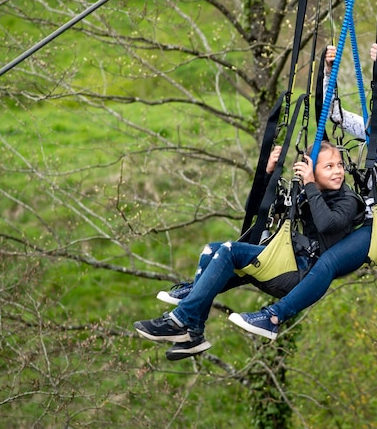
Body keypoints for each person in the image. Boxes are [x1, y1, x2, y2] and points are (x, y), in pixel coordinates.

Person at [228, 43, 377, 340]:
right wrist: (329, 72)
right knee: (323, 261)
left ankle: (273, 316)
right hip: (371, 223)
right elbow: (336, 114)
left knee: (328, 262)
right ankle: (212, 285)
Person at [134, 141, 364, 360]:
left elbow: (328, 223)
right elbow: (256, 209)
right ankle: (193, 333)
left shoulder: (347, 200)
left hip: (300, 276)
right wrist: (269, 173)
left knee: (228, 251)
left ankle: (182, 319)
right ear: (309, 170)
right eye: (329, 166)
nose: (338, 172)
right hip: (287, 263)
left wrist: (311, 185)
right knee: (213, 250)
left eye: (340, 165)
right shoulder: (303, 194)